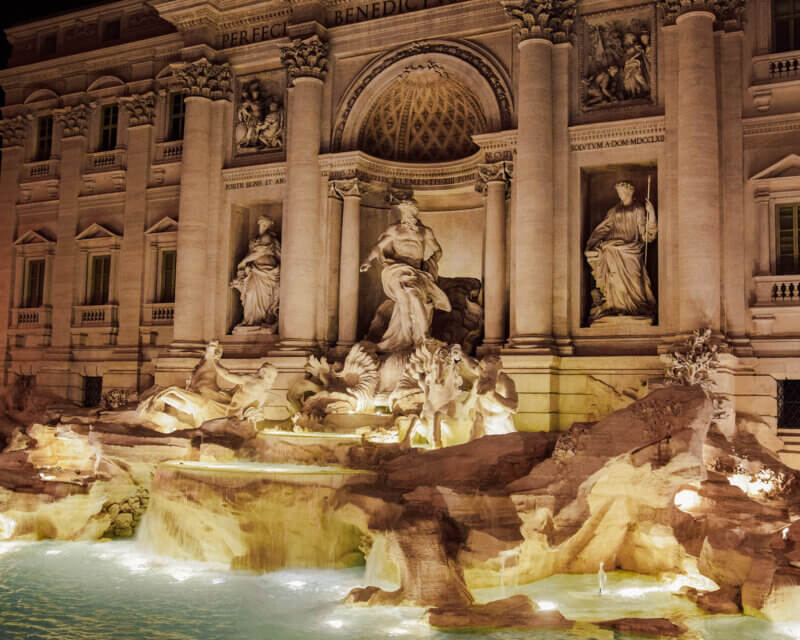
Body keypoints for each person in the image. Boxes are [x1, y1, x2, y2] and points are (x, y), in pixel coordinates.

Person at [360, 195, 451, 351]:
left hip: (416, 272)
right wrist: (368, 260)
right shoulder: (394, 230)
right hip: (397, 269)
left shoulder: (425, 231)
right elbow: (378, 247)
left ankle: (423, 337)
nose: (407, 215)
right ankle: (406, 338)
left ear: (415, 212)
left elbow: (437, 250)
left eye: (410, 212)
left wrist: (430, 263)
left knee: (415, 297)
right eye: (405, 212)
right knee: (404, 298)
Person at [584, 181, 657, 322]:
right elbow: (603, 229)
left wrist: (652, 214)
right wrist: (591, 244)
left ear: (629, 192)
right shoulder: (613, 211)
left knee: (635, 278)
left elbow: (646, 235)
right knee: (610, 259)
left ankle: (637, 308)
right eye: (618, 192)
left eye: (622, 192)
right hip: (612, 247)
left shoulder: (638, 209)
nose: (620, 195)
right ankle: (615, 305)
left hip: (632, 249)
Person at [231, 216, 281, 331]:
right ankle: (251, 321)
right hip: (255, 271)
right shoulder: (254, 240)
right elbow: (252, 254)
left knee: (264, 298)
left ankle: (262, 320)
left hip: (267, 273)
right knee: (250, 293)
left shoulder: (268, 237)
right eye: (261, 224)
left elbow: (259, 253)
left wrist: (243, 262)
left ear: (269, 225)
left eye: (264, 224)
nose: (262, 226)